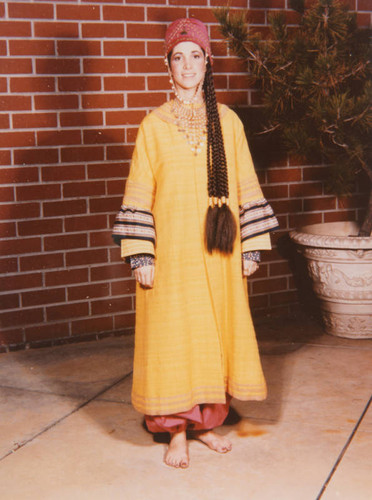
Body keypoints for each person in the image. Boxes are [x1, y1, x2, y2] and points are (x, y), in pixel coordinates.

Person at [112, 18, 279, 469]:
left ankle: (206, 423)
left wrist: (251, 246)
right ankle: (176, 431)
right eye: (178, 57)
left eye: (196, 56)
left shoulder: (229, 122)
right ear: (168, 66)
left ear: (208, 63)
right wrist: (141, 253)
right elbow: (139, 191)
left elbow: (246, 184)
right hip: (171, 255)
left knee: (213, 335)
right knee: (172, 337)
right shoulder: (154, 125)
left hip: (218, 252)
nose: (188, 65)